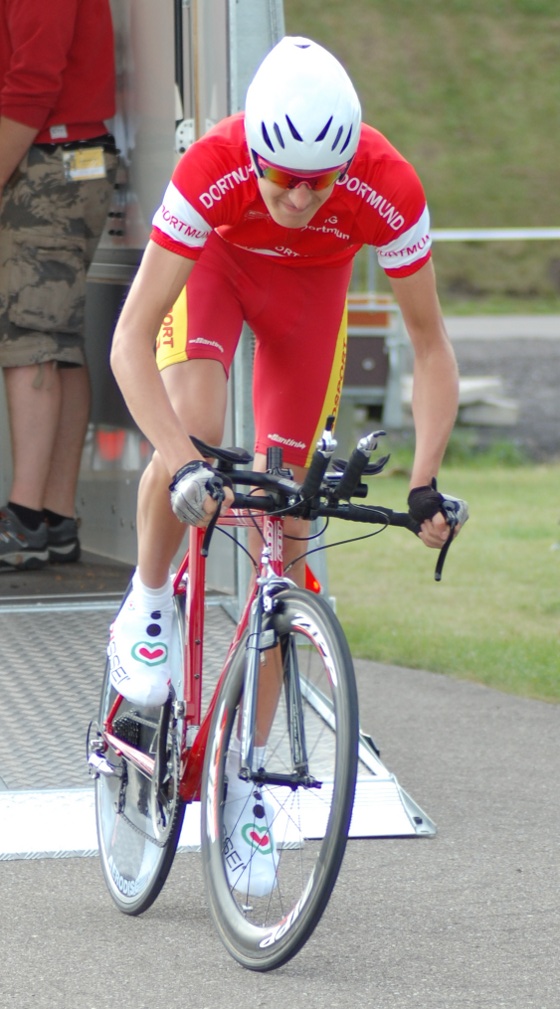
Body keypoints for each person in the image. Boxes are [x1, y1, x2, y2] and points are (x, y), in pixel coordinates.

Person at [108, 34, 463, 703]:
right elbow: (130, 338)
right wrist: (184, 462)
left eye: (320, 182)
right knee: (194, 422)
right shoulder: (213, 164)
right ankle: (149, 599)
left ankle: (249, 784)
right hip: (216, 270)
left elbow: (430, 345)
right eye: (281, 178)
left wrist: (424, 481)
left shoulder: (387, 181)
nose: (300, 200)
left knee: (290, 516)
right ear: (253, 155)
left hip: (310, 297)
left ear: (347, 164)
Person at [0, 0, 118, 571]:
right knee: (58, 340)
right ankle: (53, 520)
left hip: (49, 160)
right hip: (69, 156)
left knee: (32, 340)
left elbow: (33, 79)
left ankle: (24, 522)